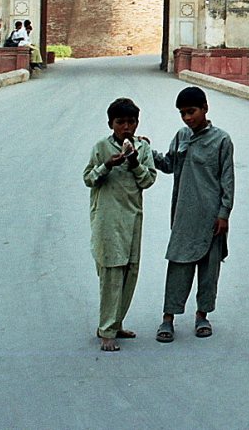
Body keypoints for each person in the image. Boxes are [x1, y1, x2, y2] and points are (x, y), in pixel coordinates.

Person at [153, 86, 234, 342]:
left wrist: (224, 213)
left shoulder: (221, 140)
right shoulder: (181, 137)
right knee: (178, 264)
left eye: (191, 111)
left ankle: (202, 315)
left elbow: (227, 180)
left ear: (205, 109)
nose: (187, 118)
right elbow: (168, 164)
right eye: (182, 113)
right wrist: (147, 152)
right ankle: (168, 318)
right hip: (184, 215)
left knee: (209, 270)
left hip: (212, 217)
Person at [83, 97, 156, 351]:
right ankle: (106, 330)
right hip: (106, 218)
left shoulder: (143, 150)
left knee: (129, 271)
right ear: (110, 123)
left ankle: (117, 322)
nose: (126, 127)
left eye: (131, 122)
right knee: (111, 272)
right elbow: (89, 179)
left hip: (132, 218)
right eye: (120, 122)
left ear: (137, 123)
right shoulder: (101, 148)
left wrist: (134, 163)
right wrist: (107, 165)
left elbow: (148, 181)